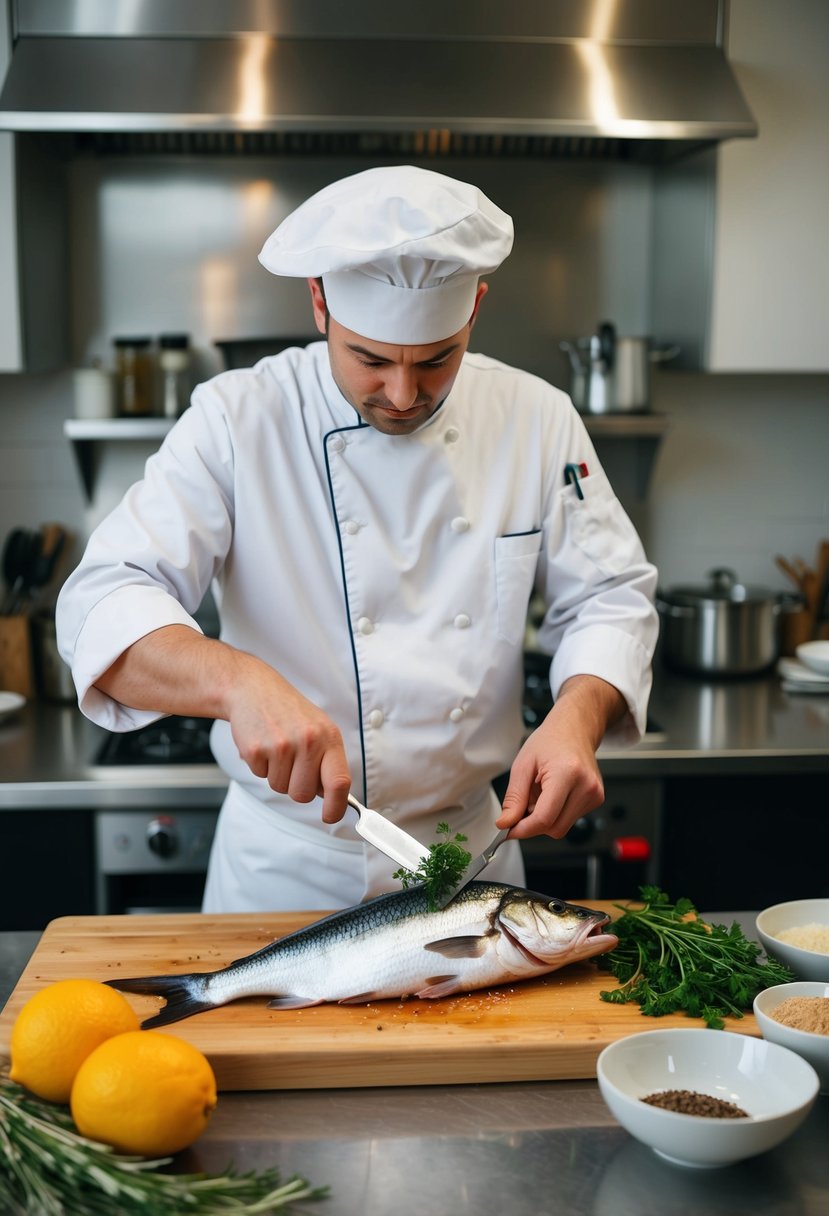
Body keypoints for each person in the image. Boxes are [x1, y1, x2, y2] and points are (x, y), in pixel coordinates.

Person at [56, 165, 658, 913]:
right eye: (370, 359)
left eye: (435, 359)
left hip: (472, 858)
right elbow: (102, 602)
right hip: (283, 870)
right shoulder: (238, 418)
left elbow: (608, 596)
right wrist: (235, 681)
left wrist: (577, 716)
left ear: (475, 307)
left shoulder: (536, 418)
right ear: (318, 303)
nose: (403, 395)